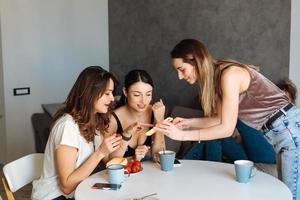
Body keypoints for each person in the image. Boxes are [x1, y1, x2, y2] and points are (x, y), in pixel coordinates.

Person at [154, 39, 300, 200]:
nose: (180, 76)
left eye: (182, 69)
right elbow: (218, 119)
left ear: (194, 59)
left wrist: (182, 136)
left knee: (290, 195)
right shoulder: (216, 79)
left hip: (289, 130)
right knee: (285, 192)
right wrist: (188, 123)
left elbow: (226, 128)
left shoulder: (229, 75)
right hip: (280, 132)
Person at [31, 66, 123, 200]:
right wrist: (100, 152)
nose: (112, 99)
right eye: (107, 93)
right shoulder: (67, 127)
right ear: (90, 93)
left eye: (112, 93)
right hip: (54, 196)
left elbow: (108, 161)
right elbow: (66, 186)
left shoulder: (94, 121)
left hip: (78, 191)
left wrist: (126, 137)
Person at [107, 69, 166, 162]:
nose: (143, 101)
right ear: (125, 92)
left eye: (148, 94)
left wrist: (159, 121)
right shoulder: (113, 119)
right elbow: (108, 163)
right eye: (137, 95)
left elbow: (160, 158)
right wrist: (134, 158)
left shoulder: (156, 113)